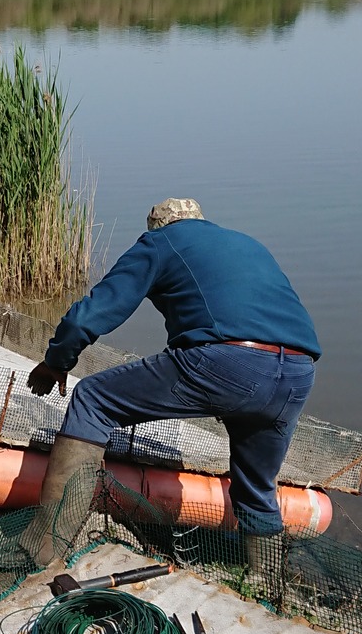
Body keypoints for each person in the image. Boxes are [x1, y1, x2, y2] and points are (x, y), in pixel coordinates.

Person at [19, 198, 319, 594]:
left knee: (93, 399)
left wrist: (57, 361)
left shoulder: (162, 242)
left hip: (227, 362)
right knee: (257, 483)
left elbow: (91, 314)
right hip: (297, 374)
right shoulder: (247, 243)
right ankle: (266, 585)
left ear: (159, 226)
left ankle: (43, 546)